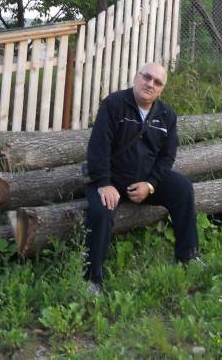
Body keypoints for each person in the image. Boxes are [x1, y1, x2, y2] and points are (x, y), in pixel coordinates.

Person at [83, 61, 200, 292]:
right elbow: (98, 147)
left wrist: (151, 184)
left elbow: (167, 157)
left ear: (161, 89)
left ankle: (189, 256)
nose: (150, 84)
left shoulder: (167, 115)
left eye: (157, 82)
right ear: (137, 77)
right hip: (111, 180)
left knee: (183, 188)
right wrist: (104, 183)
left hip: (144, 182)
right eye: (147, 77)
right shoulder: (114, 104)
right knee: (101, 212)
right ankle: (92, 279)